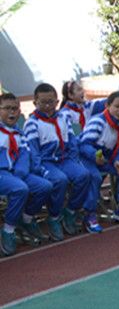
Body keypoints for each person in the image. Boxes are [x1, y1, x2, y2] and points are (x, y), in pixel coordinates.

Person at [25, 83, 96, 235]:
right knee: (60, 180)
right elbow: (33, 151)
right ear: (35, 103)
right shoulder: (32, 123)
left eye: (51, 102)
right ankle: (54, 216)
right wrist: (39, 169)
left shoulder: (63, 117)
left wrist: (74, 160)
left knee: (84, 175)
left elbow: (72, 142)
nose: (47, 106)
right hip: (46, 162)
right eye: (43, 102)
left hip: (64, 159)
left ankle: (70, 210)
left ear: (57, 102)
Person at [0, 92, 59, 255]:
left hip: (16, 174)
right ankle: (8, 229)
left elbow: (25, 155)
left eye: (15, 109)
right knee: (20, 189)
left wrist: (20, 172)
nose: (12, 112)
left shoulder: (19, 134)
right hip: (2, 174)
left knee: (45, 186)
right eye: (7, 108)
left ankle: (26, 219)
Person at [79, 91, 119, 226]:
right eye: (117, 106)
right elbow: (84, 145)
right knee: (95, 177)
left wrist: (116, 160)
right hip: (87, 157)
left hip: (105, 157)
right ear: (107, 105)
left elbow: (118, 148)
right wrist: (95, 156)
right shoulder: (98, 121)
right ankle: (89, 214)